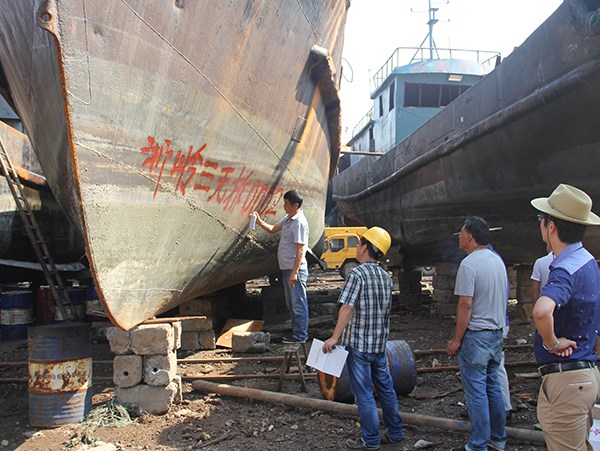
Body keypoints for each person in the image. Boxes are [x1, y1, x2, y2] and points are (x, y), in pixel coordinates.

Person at [531, 184, 600, 451]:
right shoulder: (589, 263)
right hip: (584, 376)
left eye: (542, 219)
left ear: (551, 227)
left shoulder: (564, 270)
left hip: (567, 380)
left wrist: (551, 342)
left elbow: (541, 310)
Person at [322, 227, 404, 450]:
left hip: (358, 346)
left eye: (359, 244)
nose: (357, 248)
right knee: (386, 389)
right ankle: (395, 433)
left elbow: (347, 308)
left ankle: (370, 440)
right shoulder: (385, 277)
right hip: (379, 345)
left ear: (365, 247)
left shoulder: (356, 274)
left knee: (364, 395)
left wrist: (334, 337)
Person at [447, 217, 507, 451]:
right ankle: (498, 438)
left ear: (469, 236)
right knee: (493, 387)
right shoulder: (497, 261)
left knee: (476, 393)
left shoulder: (469, 264)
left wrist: (456, 340)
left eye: (461, 232)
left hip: (476, 336)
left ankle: (479, 443)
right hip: (496, 333)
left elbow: (466, 305)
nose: (459, 236)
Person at [253, 190, 309, 343]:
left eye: (286, 204)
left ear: (295, 205)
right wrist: (259, 222)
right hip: (287, 269)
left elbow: (300, 249)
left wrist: (295, 272)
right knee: (291, 304)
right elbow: (273, 229)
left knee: (298, 304)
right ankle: (296, 333)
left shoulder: (299, 223)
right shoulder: (289, 218)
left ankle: (300, 336)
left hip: (294, 270)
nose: (284, 206)